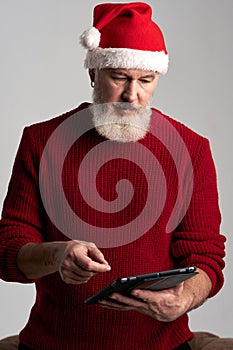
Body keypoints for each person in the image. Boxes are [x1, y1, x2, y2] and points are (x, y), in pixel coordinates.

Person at [0, 2, 226, 350]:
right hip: (52, 343)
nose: (131, 95)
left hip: (161, 346)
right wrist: (57, 255)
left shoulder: (191, 149)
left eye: (145, 80)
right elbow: (8, 250)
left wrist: (184, 299)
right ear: (94, 73)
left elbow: (205, 255)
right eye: (119, 77)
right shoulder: (41, 140)